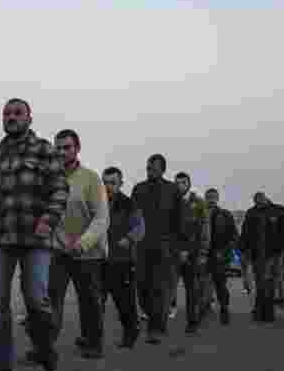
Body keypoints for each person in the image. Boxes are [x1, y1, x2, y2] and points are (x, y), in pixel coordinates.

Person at [0, 99, 67, 371]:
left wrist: (48, 220)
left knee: (36, 300)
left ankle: (44, 346)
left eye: (18, 113)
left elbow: (60, 189)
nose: (11, 117)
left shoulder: (43, 149)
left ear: (29, 117)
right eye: (7, 113)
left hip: (36, 238)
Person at [43, 130, 109, 358]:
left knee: (89, 300)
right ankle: (45, 346)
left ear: (77, 148)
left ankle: (93, 343)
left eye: (67, 147)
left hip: (87, 253)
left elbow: (101, 218)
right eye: (58, 148)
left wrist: (83, 243)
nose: (62, 152)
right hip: (58, 252)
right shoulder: (50, 179)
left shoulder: (91, 178)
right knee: (50, 300)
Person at [131, 154, 184, 344]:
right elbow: (133, 218)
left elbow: (180, 220)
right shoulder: (138, 189)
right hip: (142, 246)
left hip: (165, 247)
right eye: (147, 167)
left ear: (162, 169)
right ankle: (152, 318)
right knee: (143, 287)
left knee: (159, 289)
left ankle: (157, 328)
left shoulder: (173, 190)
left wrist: (180, 247)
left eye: (153, 167)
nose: (149, 170)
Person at [101, 167, 145, 347]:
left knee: (124, 302)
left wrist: (129, 238)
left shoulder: (129, 203)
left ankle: (131, 332)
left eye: (112, 182)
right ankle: (91, 338)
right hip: (99, 260)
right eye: (105, 182)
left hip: (122, 261)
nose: (108, 186)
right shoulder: (96, 202)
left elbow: (140, 228)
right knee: (94, 302)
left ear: (120, 184)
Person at [239, 192, 284, 324]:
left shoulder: (279, 211)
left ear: (266, 199)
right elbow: (245, 232)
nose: (258, 204)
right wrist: (243, 250)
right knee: (261, 283)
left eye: (260, 201)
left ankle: (266, 312)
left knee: (269, 283)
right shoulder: (251, 212)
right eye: (256, 202)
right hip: (257, 254)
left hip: (274, 254)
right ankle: (261, 311)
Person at [173, 172, 211, 334]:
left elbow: (205, 228)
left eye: (183, 182)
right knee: (167, 288)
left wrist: (203, 252)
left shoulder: (199, 202)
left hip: (193, 252)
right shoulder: (171, 200)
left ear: (189, 183)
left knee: (192, 289)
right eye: (178, 182)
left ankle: (192, 321)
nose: (180, 185)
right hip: (173, 252)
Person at [204, 188, 238, 325]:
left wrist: (224, 252)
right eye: (208, 197)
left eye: (213, 197)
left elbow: (234, 236)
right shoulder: (200, 213)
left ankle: (224, 308)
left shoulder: (225, 214)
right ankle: (204, 307)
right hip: (203, 254)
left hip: (220, 255)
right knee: (202, 284)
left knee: (220, 284)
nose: (211, 199)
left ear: (217, 198)